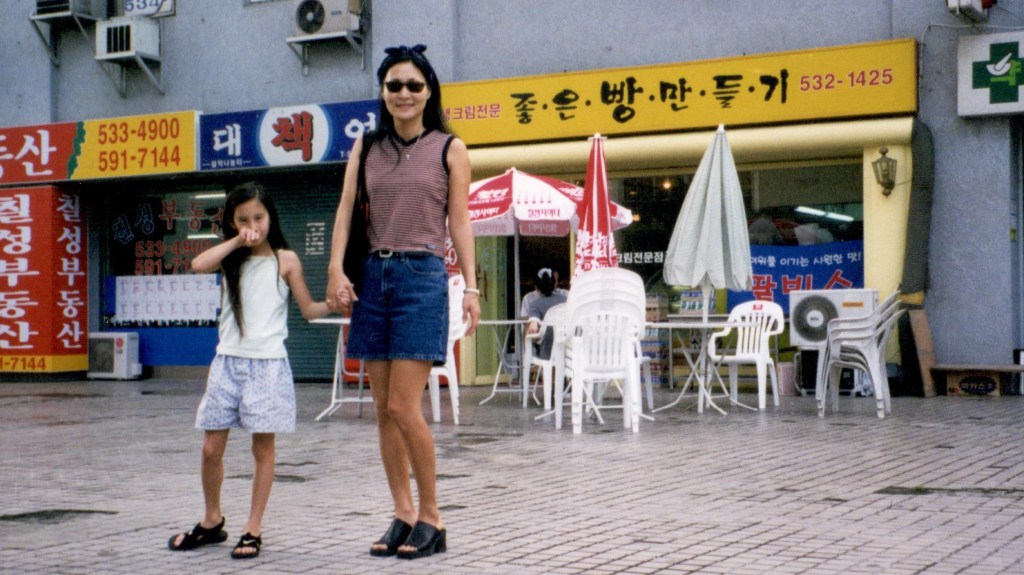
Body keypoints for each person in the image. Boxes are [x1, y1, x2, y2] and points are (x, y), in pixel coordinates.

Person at [326, 44, 480, 560]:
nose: (404, 93)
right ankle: (403, 513)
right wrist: (334, 268)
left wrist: (472, 288)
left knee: (401, 406)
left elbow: (460, 222)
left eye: (414, 85)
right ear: (383, 92)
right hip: (373, 277)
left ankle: (433, 517)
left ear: (429, 91)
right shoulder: (366, 146)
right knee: (382, 410)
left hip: (422, 278)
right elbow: (346, 208)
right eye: (394, 85)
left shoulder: (450, 148)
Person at [168, 182, 329, 560]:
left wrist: (335, 304)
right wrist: (237, 242)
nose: (252, 225)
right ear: (232, 222)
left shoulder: (286, 260)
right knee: (211, 448)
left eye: (258, 217)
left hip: (268, 365)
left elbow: (309, 310)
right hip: (227, 362)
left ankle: (253, 529)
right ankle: (211, 520)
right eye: (243, 220)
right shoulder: (231, 257)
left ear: (271, 217)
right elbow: (197, 265)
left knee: (262, 449)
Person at [521, 267, 568, 360]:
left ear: (536, 286)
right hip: (566, 350)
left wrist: (530, 336)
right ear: (555, 283)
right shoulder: (566, 300)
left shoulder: (535, 304)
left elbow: (533, 329)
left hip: (546, 351)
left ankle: (531, 363)